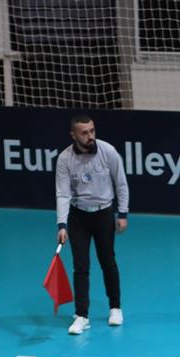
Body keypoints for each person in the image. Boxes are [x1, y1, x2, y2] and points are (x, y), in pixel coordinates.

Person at [55, 113, 129, 335]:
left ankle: (115, 308)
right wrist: (61, 224)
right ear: (73, 135)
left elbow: (121, 184)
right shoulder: (65, 159)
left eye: (92, 131)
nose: (90, 136)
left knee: (108, 261)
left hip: (104, 214)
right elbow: (63, 193)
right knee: (81, 267)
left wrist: (122, 213)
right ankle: (81, 316)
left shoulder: (108, 151)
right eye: (84, 132)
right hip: (78, 217)